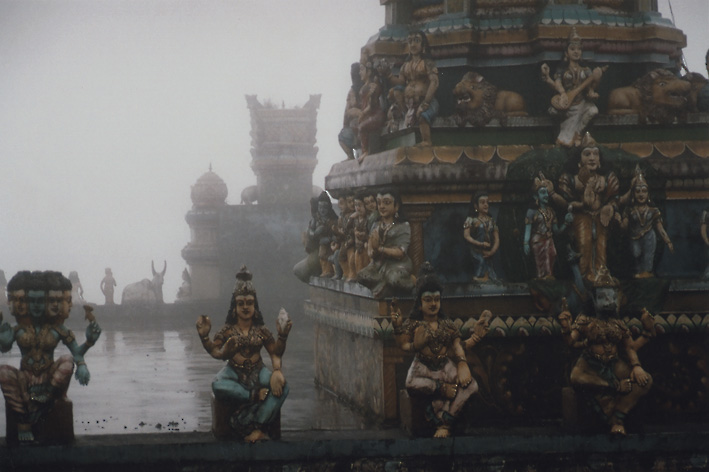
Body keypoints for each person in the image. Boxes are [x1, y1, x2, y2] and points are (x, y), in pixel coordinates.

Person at [390, 263, 490, 438]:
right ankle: (441, 402)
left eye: (436, 299)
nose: (433, 304)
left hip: (445, 366)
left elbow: (457, 346)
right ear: (420, 303)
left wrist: (469, 350)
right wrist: (398, 327)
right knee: (411, 383)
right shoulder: (414, 324)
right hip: (422, 367)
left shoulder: (447, 325)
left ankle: (445, 421)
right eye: (428, 300)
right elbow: (403, 346)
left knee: (472, 386)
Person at [0, 271, 101, 443]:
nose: (36, 305)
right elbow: (5, 347)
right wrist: (3, 339)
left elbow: (76, 354)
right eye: (32, 301)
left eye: (41, 301)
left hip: (50, 379)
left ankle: (45, 399)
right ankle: (23, 420)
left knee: (67, 361)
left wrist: (89, 344)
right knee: (3, 371)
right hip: (25, 378)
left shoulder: (58, 329)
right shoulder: (17, 329)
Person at [196, 266, 291, 443]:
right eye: (241, 303)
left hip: (258, 371)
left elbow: (275, 353)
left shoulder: (261, 330)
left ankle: (255, 424)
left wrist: (282, 339)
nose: (245, 307)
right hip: (234, 371)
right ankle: (251, 397)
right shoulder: (227, 330)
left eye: (249, 303)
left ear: (255, 306)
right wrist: (205, 337)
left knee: (283, 387)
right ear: (235, 307)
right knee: (217, 385)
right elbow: (216, 351)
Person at [558, 282, 654, 435]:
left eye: (612, 297)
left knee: (645, 381)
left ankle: (617, 419)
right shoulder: (584, 319)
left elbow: (631, 347)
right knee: (576, 377)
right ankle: (612, 387)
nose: (608, 301)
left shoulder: (618, 323)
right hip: (590, 362)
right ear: (594, 299)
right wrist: (566, 328)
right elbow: (570, 342)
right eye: (603, 297)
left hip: (614, 363)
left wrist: (647, 332)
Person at [553, 132, 619, 284]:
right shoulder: (570, 179)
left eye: (595, 154)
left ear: (600, 160)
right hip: (581, 216)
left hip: (601, 217)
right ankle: (584, 276)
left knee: (601, 246)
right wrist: (581, 204)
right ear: (579, 160)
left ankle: (601, 275)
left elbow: (614, 199)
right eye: (587, 154)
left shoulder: (606, 179)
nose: (592, 158)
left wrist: (609, 207)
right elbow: (566, 202)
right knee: (584, 243)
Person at [541, 28, 604, 147]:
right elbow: (557, 83)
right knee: (553, 111)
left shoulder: (586, 70)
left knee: (593, 110)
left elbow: (591, 87)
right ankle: (563, 135)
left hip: (581, 104)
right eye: (572, 49)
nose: (576, 52)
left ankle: (578, 134)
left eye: (579, 49)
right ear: (566, 53)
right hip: (567, 105)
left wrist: (593, 88)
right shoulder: (562, 70)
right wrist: (562, 93)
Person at [356, 188, 415, 298]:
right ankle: (383, 287)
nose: (382, 206)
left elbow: (401, 252)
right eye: (379, 203)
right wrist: (373, 250)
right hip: (379, 264)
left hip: (397, 264)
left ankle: (410, 281)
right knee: (361, 276)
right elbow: (371, 252)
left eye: (387, 203)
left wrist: (380, 249)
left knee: (393, 278)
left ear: (396, 206)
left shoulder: (402, 226)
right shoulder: (376, 225)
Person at [617, 167, 674, 278]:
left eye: (644, 191)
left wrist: (668, 241)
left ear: (648, 193)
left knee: (648, 256)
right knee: (635, 254)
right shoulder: (629, 210)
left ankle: (647, 273)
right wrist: (619, 220)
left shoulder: (653, 210)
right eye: (638, 191)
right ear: (633, 194)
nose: (641, 194)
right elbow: (624, 227)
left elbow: (660, 228)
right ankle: (638, 273)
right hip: (634, 237)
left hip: (649, 237)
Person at [385, 31, 439, 146]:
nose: (413, 45)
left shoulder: (427, 63)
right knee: (397, 90)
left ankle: (426, 140)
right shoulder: (406, 66)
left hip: (426, 101)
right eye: (410, 42)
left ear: (423, 45)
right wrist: (388, 75)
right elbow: (400, 82)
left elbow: (434, 82)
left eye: (416, 41)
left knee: (423, 117)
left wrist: (425, 103)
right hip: (409, 104)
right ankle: (406, 113)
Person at [524, 173, 573, 279]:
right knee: (541, 264)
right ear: (536, 196)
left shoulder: (551, 211)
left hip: (549, 241)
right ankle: (541, 279)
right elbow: (528, 229)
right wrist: (526, 242)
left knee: (552, 255)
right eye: (542, 193)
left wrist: (566, 222)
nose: (546, 195)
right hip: (538, 241)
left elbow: (557, 231)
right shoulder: (532, 212)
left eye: (546, 192)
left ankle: (549, 279)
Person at [463, 191, 499, 282]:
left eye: (487, 202)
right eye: (482, 202)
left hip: (488, 252)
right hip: (476, 251)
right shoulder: (471, 220)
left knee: (490, 271)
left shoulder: (491, 221)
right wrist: (480, 244)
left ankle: (488, 278)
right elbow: (466, 236)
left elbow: (497, 239)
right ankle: (479, 277)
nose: (486, 205)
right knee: (480, 262)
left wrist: (492, 252)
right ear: (476, 206)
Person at [338, 63, 364, 160]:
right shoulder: (352, 92)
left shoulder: (365, 88)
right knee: (342, 136)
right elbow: (347, 111)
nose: (354, 78)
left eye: (355, 74)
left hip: (364, 122)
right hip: (353, 126)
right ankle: (350, 155)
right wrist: (345, 125)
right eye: (352, 75)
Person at [349, 190, 371, 279]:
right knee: (355, 263)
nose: (358, 208)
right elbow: (348, 230)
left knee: (364, 265)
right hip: (357, 247)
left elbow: (369, 233)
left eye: (360, 205)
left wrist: (362, 235)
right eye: (356, 205)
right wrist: (350, 218)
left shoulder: (367, 219)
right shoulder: (355, 219)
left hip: (365, 247)